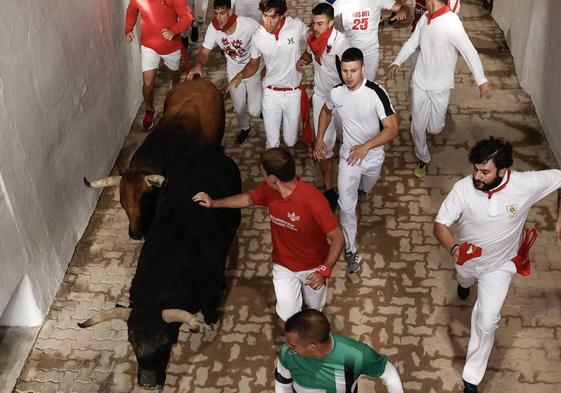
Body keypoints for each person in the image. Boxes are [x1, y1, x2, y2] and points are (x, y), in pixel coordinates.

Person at [433, 137, 561, 393]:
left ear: (503, 171)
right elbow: (440, 226)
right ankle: (464, 284)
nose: (476, 176)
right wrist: (455, 248)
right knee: (465, 280)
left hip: (500, 266)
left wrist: (560, 218)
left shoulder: (525, 184)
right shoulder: (463, 189)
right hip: (467, 260)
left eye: (484, 171)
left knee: (488, 321)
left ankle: (471, 377)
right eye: (475, 169)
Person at [193, 148, 345, 321]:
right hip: (283, 265)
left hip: (313, 267)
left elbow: (338, 238)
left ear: (273, 179)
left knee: (315, 310)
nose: (263, 176)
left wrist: (324, 270)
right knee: (288, 315)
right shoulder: (269, 189)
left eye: (263, 173)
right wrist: (214, 203)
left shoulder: (314, 200)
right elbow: (248, 199)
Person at [315, 47, 398, 276]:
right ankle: (351, 249)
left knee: (367, 187)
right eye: (344, 71)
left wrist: (366, 146)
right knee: (347, 207)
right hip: (349, 158)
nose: (348, 76)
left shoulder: (376, 92)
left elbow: (392, 129)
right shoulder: (336, 93)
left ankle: (362, 190)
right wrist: (319, 139)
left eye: (353, 70)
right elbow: (325, 112)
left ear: (363, 68)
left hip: (373, 156)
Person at [386, 0, 492, 178]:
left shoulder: (451, 23)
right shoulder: (425, 18)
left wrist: (481, 80)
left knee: (435, 127)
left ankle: (432, 122)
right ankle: (423, 158)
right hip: (420, 82)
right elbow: (412, 43)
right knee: (417, 127)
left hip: (440, 86)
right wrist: (397, 61)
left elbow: (469, 51)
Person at [226, 0, 311, 149]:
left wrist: (305, 58)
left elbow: (314, 38)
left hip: (293, 92)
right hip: (271, 93)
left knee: (291, 142)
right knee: (272, 144)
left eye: (273, 17)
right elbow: (253, 64)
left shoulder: (295, 26)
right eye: (265, 16)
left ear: (282, 15)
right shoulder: (258, 36)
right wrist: (241, 74)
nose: (268, 22)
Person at [296, 3, 350, 212]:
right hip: (321, 97)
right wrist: (303, 60)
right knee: (323, 146)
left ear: (331, 22)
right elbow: (310, 53)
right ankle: (329, 189)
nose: (316, 27)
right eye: (314, 22)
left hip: (342, 101)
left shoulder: (341, 44)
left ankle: (351, 182)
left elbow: (350, 75)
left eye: (320, 24)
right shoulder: (312, 38)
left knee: (348, 142)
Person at [186, 0, 262, 144]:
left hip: (252, 68)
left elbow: (265, 40)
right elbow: (204, 51)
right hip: (233, 69)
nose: (218, 18)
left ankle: (261, 105)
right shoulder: (213, 28)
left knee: (254, 111)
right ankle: (245, 128)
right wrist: (198, 65)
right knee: (239, 108)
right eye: (216, 13)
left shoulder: (248, 25)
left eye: (222, 13)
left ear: (230, 12)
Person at [275, 309, 404, 393]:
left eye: (292, 344)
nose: (287, 346)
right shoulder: (287, 353)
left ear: (312, 347)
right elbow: (283, 384)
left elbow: (389, 373)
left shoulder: (356, 355)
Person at [125, 0, 193, 129]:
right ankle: (149, 110)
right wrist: (128, 29)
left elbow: (188, 16)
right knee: (148, 84)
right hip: (149, 46)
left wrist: (173, 30)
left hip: (171, 46)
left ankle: (174, 108)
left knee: (175, 79)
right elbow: (132, 10)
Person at [327, 0, 408, 81]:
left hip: (370, 54)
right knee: (351, 87)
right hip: (350, 55)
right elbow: (327, 21)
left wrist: (403, 11)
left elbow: (403, 7)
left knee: (367, 85)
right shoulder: (340, 3)